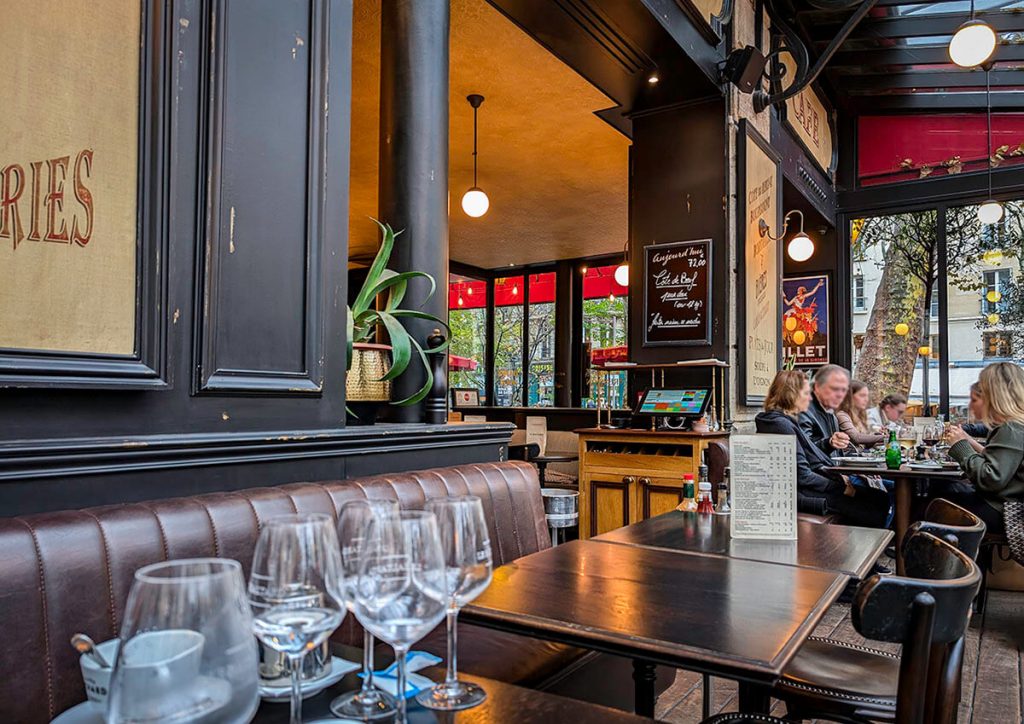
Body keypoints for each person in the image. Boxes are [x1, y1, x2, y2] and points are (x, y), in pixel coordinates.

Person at [756, 370, 891, 528]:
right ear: (791, 395)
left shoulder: (782, 421)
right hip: (804, 495)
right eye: (806, 393)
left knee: (879, 497)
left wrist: (828, 444)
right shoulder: (780, 425)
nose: (810, 397)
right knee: (879, 501)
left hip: (810, 487)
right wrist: (843, 487)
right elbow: (802, 476)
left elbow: (806, 455)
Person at [944, 363, 1024, 534]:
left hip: (1005, 512)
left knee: (927, 503)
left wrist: (960, 446)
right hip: (1009, 505)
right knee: (946, 489)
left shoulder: (1012, 428)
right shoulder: (1016, 425)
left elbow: (990, 479)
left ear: (995, 394)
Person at [799, 364, 852, 456]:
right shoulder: (804, 410)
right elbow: (804, 451)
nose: (840, 395)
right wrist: (829, 443)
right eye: (835, 389)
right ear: (817, 387)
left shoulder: (829, 411)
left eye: (844, 390)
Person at [836, 379, 885, 448]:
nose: (866, 399)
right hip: (848, 457)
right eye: (862, 395)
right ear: (849, 397)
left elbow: (864, 445)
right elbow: (857, 438)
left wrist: (877, 435)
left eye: (867, 396)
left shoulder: (860, 416)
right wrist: (885, 437)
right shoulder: (842, 415)